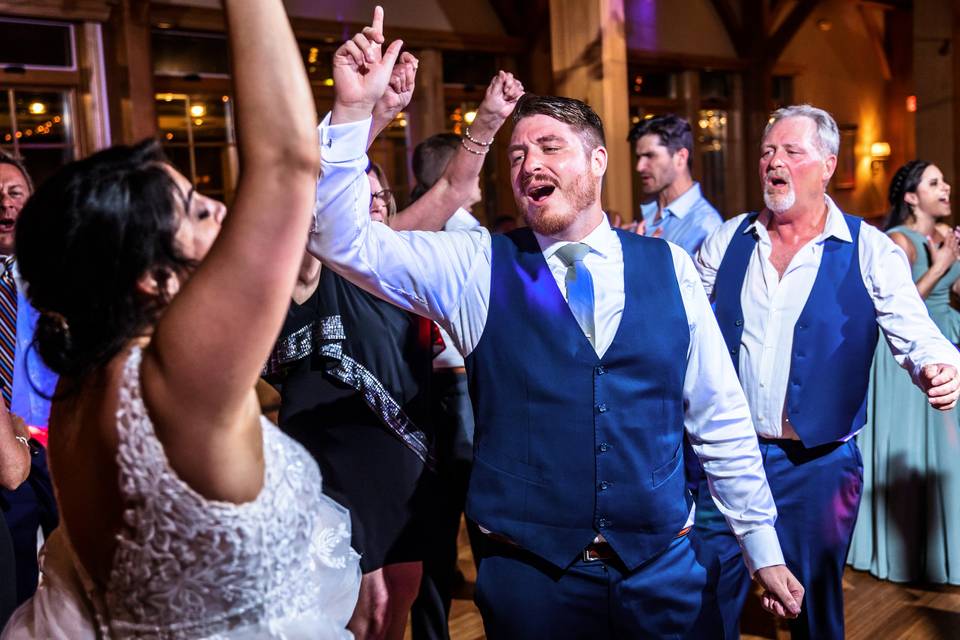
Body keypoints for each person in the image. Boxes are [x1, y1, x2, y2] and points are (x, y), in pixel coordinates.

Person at [310, 9, 803, 638]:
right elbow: (341, 239)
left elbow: (717, 411)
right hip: (530, 576)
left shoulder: (670, 266)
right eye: (516, 154)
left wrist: (760, 543)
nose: (528, 164)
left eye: (549, 147)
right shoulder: (476, 264)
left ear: (597, 161)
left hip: (662, 568)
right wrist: (354, 114)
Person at [1, 0, 361, 637]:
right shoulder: (174, 384)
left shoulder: (85, 382)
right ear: (151, 277)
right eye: (196, 212)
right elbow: (284, 163)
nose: (222, 211)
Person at [268, 62, 522, 640]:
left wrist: (487, 120)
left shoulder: (395, 254)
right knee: (354, 612)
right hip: (332, 459)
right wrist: (370, 115)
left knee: (394, 607)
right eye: (362, 189)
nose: (375, 202)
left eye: (379, 192)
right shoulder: (311, 263)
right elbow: (307, 189)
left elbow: (456, 189)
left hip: (404, 455)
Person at [694, 106, 960, 640]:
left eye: (792, 152)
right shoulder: (728, 239)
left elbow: (913, 327)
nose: (775, 161)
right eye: (768, 151)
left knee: (812, 610)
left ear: (828, 166)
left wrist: (939, 364)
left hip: (817, 466)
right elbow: (685, 325)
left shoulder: (869, 248)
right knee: (707, 595)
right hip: (724, 458)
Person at [848, 160, 960, 585]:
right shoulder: (899, 240)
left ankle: (946, 551)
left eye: (943, 179)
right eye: (934, 182)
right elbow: (896, 305)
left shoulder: (945, 235)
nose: (945, 186)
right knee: (918, 449)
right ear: (912, 197)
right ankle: (905, 552)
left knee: (949, 455)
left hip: (947, 342)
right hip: (909, 360)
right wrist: (940, 264)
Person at [405, 132, 483, 640]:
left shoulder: (400, 230)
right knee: (480, 522)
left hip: (409, 391)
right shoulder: (468, 237)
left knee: (431, 528)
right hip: (455, 388)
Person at [0, 151, 60, 613]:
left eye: (14, 193)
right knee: (15, 573)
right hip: (3, 444)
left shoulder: (62, 270)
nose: (4, 205)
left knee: (81, 566)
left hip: (61, 438)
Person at [629, 114, 722, 255]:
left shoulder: (705, 227)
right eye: (639, 157)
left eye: (650, 156)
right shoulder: (648, 212)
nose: (639, 167)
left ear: (680, 158)